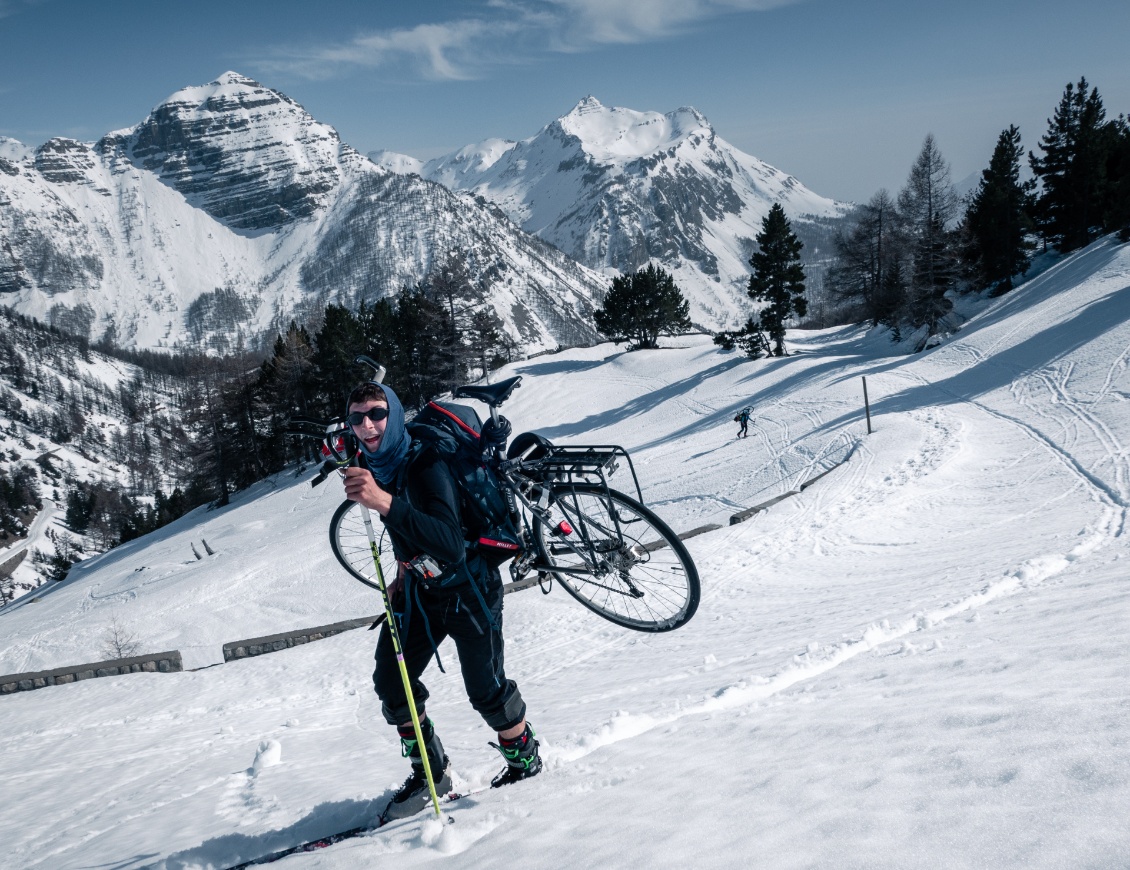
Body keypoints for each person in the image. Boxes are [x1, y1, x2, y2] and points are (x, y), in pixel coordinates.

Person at [340, 380, 541, 823]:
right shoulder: (376, 462)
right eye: (357, 418)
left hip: (469, 587)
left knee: (486, 691)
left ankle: (526, 760)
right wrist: (399, 573)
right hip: (419, 590)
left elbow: (450, 542)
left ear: (393, 412)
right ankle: (431, 771)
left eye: (376, 413)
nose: (368, 425)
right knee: (393, 683)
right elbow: (401, 531)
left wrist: (383, 501)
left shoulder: (425, 462)